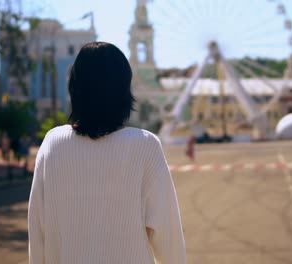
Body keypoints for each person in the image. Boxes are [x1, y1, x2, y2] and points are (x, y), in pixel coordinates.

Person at [28, 42, 186, 264]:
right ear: (124, 90)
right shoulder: (145, 146)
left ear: (74, 88)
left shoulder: (52, 144)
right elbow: (169, 240)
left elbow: (37, 233)